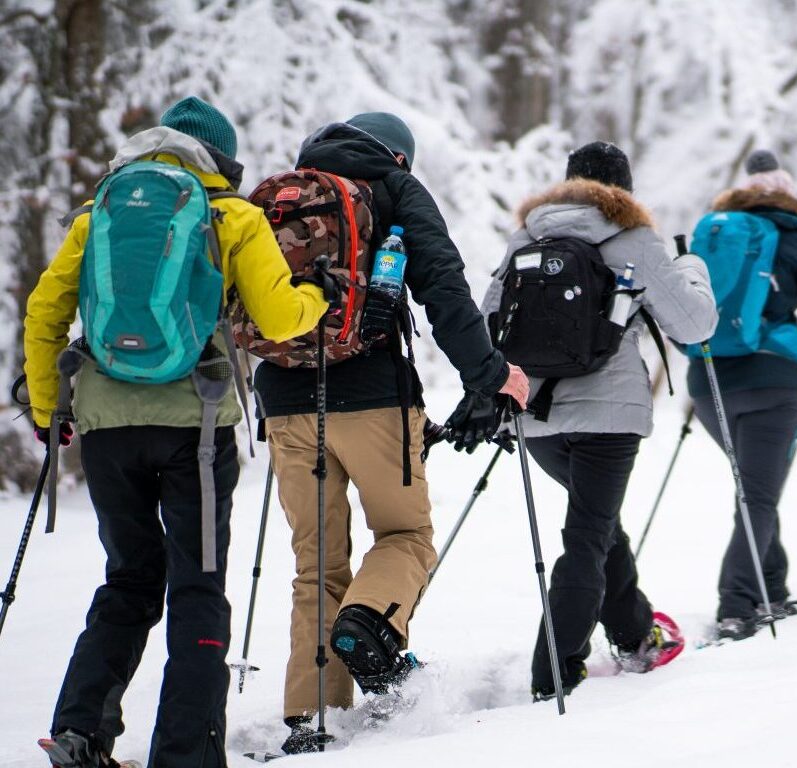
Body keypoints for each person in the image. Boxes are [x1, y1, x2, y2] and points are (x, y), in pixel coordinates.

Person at [24, 97, 332, 768]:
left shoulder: (101, 211)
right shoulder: (232, 216)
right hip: (194, 423)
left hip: (107, 426)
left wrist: (51, 411)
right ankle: (186, 754)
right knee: (198, 585)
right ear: (221, 160)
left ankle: (80, 729)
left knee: (129, 579)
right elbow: (279, 319)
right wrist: (319, 298)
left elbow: (45, 310)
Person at [253, 113, 529, 752]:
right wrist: (489, 378)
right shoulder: (396, 189)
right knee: (405, 534)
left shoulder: (282, 197)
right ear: (399, 156)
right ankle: (368, 625)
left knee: (315, 562)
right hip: (375, 396)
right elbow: (443, 289)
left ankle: (311, 717)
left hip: (286, 400)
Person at [481, 141, 718, 699]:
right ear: (623, 190)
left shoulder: (527, 238)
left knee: (597, 523)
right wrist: (692, 267)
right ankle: (555, 672)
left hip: (536, 417)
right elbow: (694, 325)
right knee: (588, 535)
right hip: (609, 418)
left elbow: (490, 318)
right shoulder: (632, 238)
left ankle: (636, 634)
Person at [688, 150, 797, 641]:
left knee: (753, 488)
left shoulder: (716, 232)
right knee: (759, 494)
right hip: (770, 381)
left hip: (707, 383)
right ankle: (736, 605)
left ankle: (771, 589)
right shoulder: (794, 236)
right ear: (787, 193)